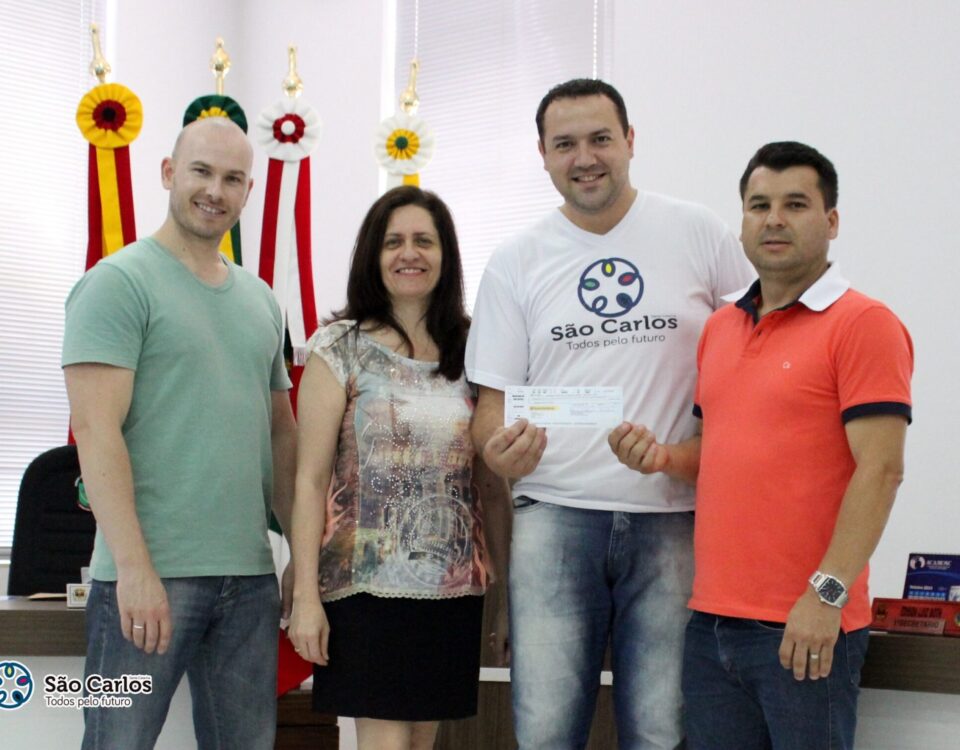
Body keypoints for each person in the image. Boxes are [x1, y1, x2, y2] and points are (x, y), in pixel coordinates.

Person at [467, 78, 752, 749]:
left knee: (660, 730)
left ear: (630, 140)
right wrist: (496, 448)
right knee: (545, 732)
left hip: (675, 516)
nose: (585, 157)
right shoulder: (515, 262)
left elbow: (758, 351)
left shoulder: (698, 232)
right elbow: (491, 409)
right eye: (565, 144)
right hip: (554, 517)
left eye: (600, 138)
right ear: (543, 154)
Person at [614, 141, 913, 749]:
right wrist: (663, 458)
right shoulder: (720, 328)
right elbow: (715, 449)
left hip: (806, 624)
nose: (774, 219)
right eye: (759, 205)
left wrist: (825, 596)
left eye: (795, 204)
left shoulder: (864, 323)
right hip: (711, 623)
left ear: (831, 221)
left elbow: (881, 470)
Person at [62, 116, 296, 750]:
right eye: (201, 171)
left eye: (232, 179)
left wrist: (301, 556)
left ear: (248, 192)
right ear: (169, 173)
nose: (215, 191)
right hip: (146, 577)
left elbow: (281, 435)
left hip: (249, 579)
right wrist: (134, 570)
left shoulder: (262, 301)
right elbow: (95, 430)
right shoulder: (117, 284)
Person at [286, 186, 511, 750]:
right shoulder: (338, 347)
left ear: (445, 254)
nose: (409, 253)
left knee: (419, 743)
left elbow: (491, 485)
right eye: (394, 242)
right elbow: (310, 481)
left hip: (452, 593)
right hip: (364, 590)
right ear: (373, 254)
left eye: (423, 241)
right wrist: (306, 594)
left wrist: (507, 595)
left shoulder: (475, 348)